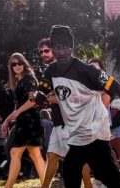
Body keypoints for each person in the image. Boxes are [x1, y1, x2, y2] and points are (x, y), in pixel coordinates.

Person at [39, 25, 120, 188]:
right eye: (55, 47)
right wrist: (40, 96)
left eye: (64, 47)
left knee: (102, 173)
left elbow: (116, 86)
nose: (60, 52)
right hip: (77, 133)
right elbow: (43, 88)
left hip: (94, 130)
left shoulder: (86, 71)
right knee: (74, 171)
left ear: (71, 48)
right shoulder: (51, 70)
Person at [39, 38, 93, 188]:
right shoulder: (51, 71)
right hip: (58, 123)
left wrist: (48, 98)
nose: (44, 54)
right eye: (41, 51)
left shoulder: (73, 69)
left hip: (73, 123)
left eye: (47, 50)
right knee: (52, 156)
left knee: (81, 161)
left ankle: (89, 185)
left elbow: (70, 97)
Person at [1, 52, 46, 188]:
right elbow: (19, 104)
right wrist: (8, 119)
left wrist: (16, 113)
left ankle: (8, 186)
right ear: (11, 67)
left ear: (24, 64)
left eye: (19, 63)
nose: (17, 66)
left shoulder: (28, 79)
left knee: (16, 152)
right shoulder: (19, 81)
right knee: (35, 155)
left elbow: (33, 101)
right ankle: (46, 184)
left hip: (30, 121)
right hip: (24, 121)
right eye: (14, 64)